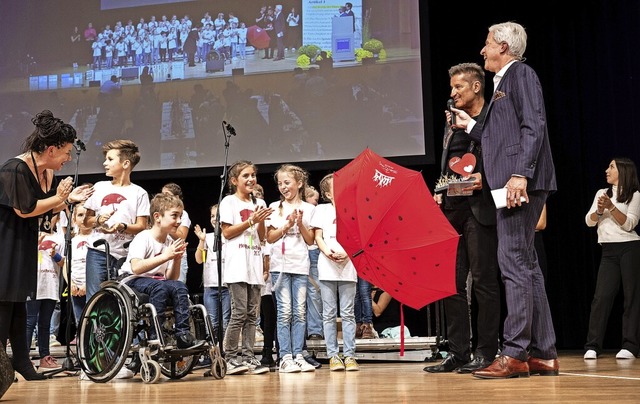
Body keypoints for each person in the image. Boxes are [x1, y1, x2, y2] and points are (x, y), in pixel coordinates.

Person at [451, 22, 559, 378]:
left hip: (518, 181)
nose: (482, 51)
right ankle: (543, 352)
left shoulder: (520, 74)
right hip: (512, 181)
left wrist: (520, 174)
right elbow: (497, 134)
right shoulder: (503, 83)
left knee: (512, 261)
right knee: (526, 265)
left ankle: (514, 352)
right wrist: (470, 125)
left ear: (503, 46)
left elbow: (535, 125)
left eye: (487, 44)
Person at [0, 110, 91, 382]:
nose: (68, 158)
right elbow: (25, 210)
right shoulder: (15, 168)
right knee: (5, 304)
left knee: (17, 304)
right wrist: (62, 198)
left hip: (20, 242)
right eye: (66, 152)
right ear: (51, 150)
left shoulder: (42, 172)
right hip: (5, 244)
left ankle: (22, 361)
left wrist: (67, 199)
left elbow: (42, 209)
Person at [424, 63, 500, 374]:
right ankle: (459, 352)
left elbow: (499, 156)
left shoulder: (492, 117)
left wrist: (486, 177)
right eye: (452, 88)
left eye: (459, 88)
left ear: (476, 87)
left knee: (483, 283)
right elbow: (449, 164)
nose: (453, 93)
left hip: (480, 209)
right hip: (451, 210)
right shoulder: (450, 122)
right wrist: (440, 190)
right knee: (450, 285)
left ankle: (486, 352)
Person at [118, 193, 205, 351]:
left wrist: (176, 259)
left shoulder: (170, 242)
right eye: (174, 216)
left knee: (178, 286)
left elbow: (171, 277)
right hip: (132, 279)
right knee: (160, 287)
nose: (179, 221)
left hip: (156, 282)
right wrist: (166, 256)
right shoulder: (143, 237)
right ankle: (155, 336)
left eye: (180, 216)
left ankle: (182, 335)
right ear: (157, 217)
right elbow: (136, 267)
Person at [219, 161, 273, 375]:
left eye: (253, 175)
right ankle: (231, 357)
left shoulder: (259, 201)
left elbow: (261, 237)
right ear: (234, 181)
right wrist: (251, 220)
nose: (251, 179)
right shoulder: (228, 202)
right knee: (239, 313)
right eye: (246, 176)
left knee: (252, 315)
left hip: (254, 263)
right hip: (237, 265)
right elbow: (227, 232)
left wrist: (259, 221)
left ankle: (249, 357)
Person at [584, 157, 640, 360]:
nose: (607, 170)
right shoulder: (601, 193)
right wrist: (599, 210)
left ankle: (630, 346)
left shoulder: (634, 195)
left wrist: (611, 208)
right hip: (608, 251)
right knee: (601, 298)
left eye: (611, 167)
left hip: (630, 248)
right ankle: (593, 345)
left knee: (631, 297)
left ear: (623, 171)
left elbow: (630, 224)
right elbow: (589, 222)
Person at [266, 164, 316, 373]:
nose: (283, 187)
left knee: (300, 313)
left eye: (287, 183)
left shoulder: (310, 208)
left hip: (300, 265)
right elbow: (269, 237)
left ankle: (298, 355)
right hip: (280, 266)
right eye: (280, 184)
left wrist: (300, 223)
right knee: (285, 312)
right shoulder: (274, 207)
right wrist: (286, 226)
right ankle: (285, 356)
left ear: (299, 183)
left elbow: (310, 240)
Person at [311, 173, 359, 371]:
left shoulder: (353, 208)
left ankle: (349, 355)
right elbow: (318, 236)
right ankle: (333, 355)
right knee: (329, 313)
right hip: (327, 266)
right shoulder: (321, 210)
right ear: (328, 194)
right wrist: (328, 252)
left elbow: (358, 237)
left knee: (348, 313)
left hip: (348, 266)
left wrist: (348, 253)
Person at [26, 226, 65, 371]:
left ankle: (45, 357)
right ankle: (25, 358)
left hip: (50, 285)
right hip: (33, 285)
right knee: (29, 321)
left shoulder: (59, 237)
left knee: (45, 324)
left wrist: (55, 254)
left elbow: (63, 262)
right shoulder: (28, 233)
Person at [194, 204, 230, 341]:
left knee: (226, 321)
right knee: (212, 322)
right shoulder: (207, 237)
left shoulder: (230, 236)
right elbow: (198, 260)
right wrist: (201, 241)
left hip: (227, 286)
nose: (215, 219)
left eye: (218, 215)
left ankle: (225, 353)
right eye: (212, 216)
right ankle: (212, 353)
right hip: (210, 285)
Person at [161, 183, 191, 284]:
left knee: (177, 286)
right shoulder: (161, 214)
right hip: (161, 254)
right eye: (162, 194)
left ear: (177, 197)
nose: (164, 198)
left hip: (177, 256)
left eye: (167, 195)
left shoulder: (183, 214)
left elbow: (182, 237)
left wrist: (167, 226)